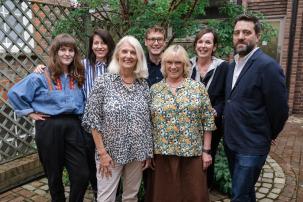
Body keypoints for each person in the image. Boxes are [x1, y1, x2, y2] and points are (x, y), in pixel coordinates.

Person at [33, 29, 115, 200]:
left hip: (112, 126)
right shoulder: (81, 66)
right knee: (89, 168)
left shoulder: (118, 67)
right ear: (91, 46)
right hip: (85, 127)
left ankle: (110, 196)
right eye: (96, 43)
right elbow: (58, 68)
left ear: (109, 45)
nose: (99, 47)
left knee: (111, 167)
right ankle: (97, 195)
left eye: (103, 43)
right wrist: (41, 68)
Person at [8, 33, 89, 201]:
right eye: (63, 50)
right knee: (54, 175)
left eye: (71, 50)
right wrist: (30, 113)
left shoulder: (78, 75)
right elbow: (14, 93)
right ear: (55, 52)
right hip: (49, 126)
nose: (67, 54)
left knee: (82, 174)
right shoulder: (41, 75)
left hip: (74, 126)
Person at [224, 15, 289, 201]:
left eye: (246, 32)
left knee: (239, 195)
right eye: (237, 33)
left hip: (251, 145)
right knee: (245, 192)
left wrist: (269, 134)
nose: (241, 37)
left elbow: (280, 110)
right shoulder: (232, 65)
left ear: (257, 36)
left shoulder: (267, 66)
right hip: (232, 142)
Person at [82, 35, 153, 202]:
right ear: (118, 55)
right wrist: (102, 153)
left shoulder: (143, 85)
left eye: (133, 52)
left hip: (137, 153)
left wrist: (147, 152)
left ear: (138, 57)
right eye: (125, 51)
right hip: (109, 154)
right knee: (105, 198)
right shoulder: (103, 82)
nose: (128, 56)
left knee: (131, 197)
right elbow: (92, 119)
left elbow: (147, 122)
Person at [145, 44, 216, 202]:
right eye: (169, 62)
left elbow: (208, 121)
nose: (173, 66)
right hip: (161, 154)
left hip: (192, 154)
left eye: (178, 63)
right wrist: (148, 153)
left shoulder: (197, 88)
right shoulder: (154, 90)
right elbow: (148, 124)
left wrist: (206, 151)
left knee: (193, 194)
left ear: (185, 65)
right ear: (164, 65)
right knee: (163, 196)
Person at [190, 28, 229, 189]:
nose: (203, 45)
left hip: (213, 124)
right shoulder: (187, 65)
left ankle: (203, 191)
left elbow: (225, 96)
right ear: (195, 45)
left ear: (214, 47)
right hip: (189, 124)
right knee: (190, 160)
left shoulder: (223, 67)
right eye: (200, 41)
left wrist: (217, 111)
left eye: (208, 42)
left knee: (207, 158)